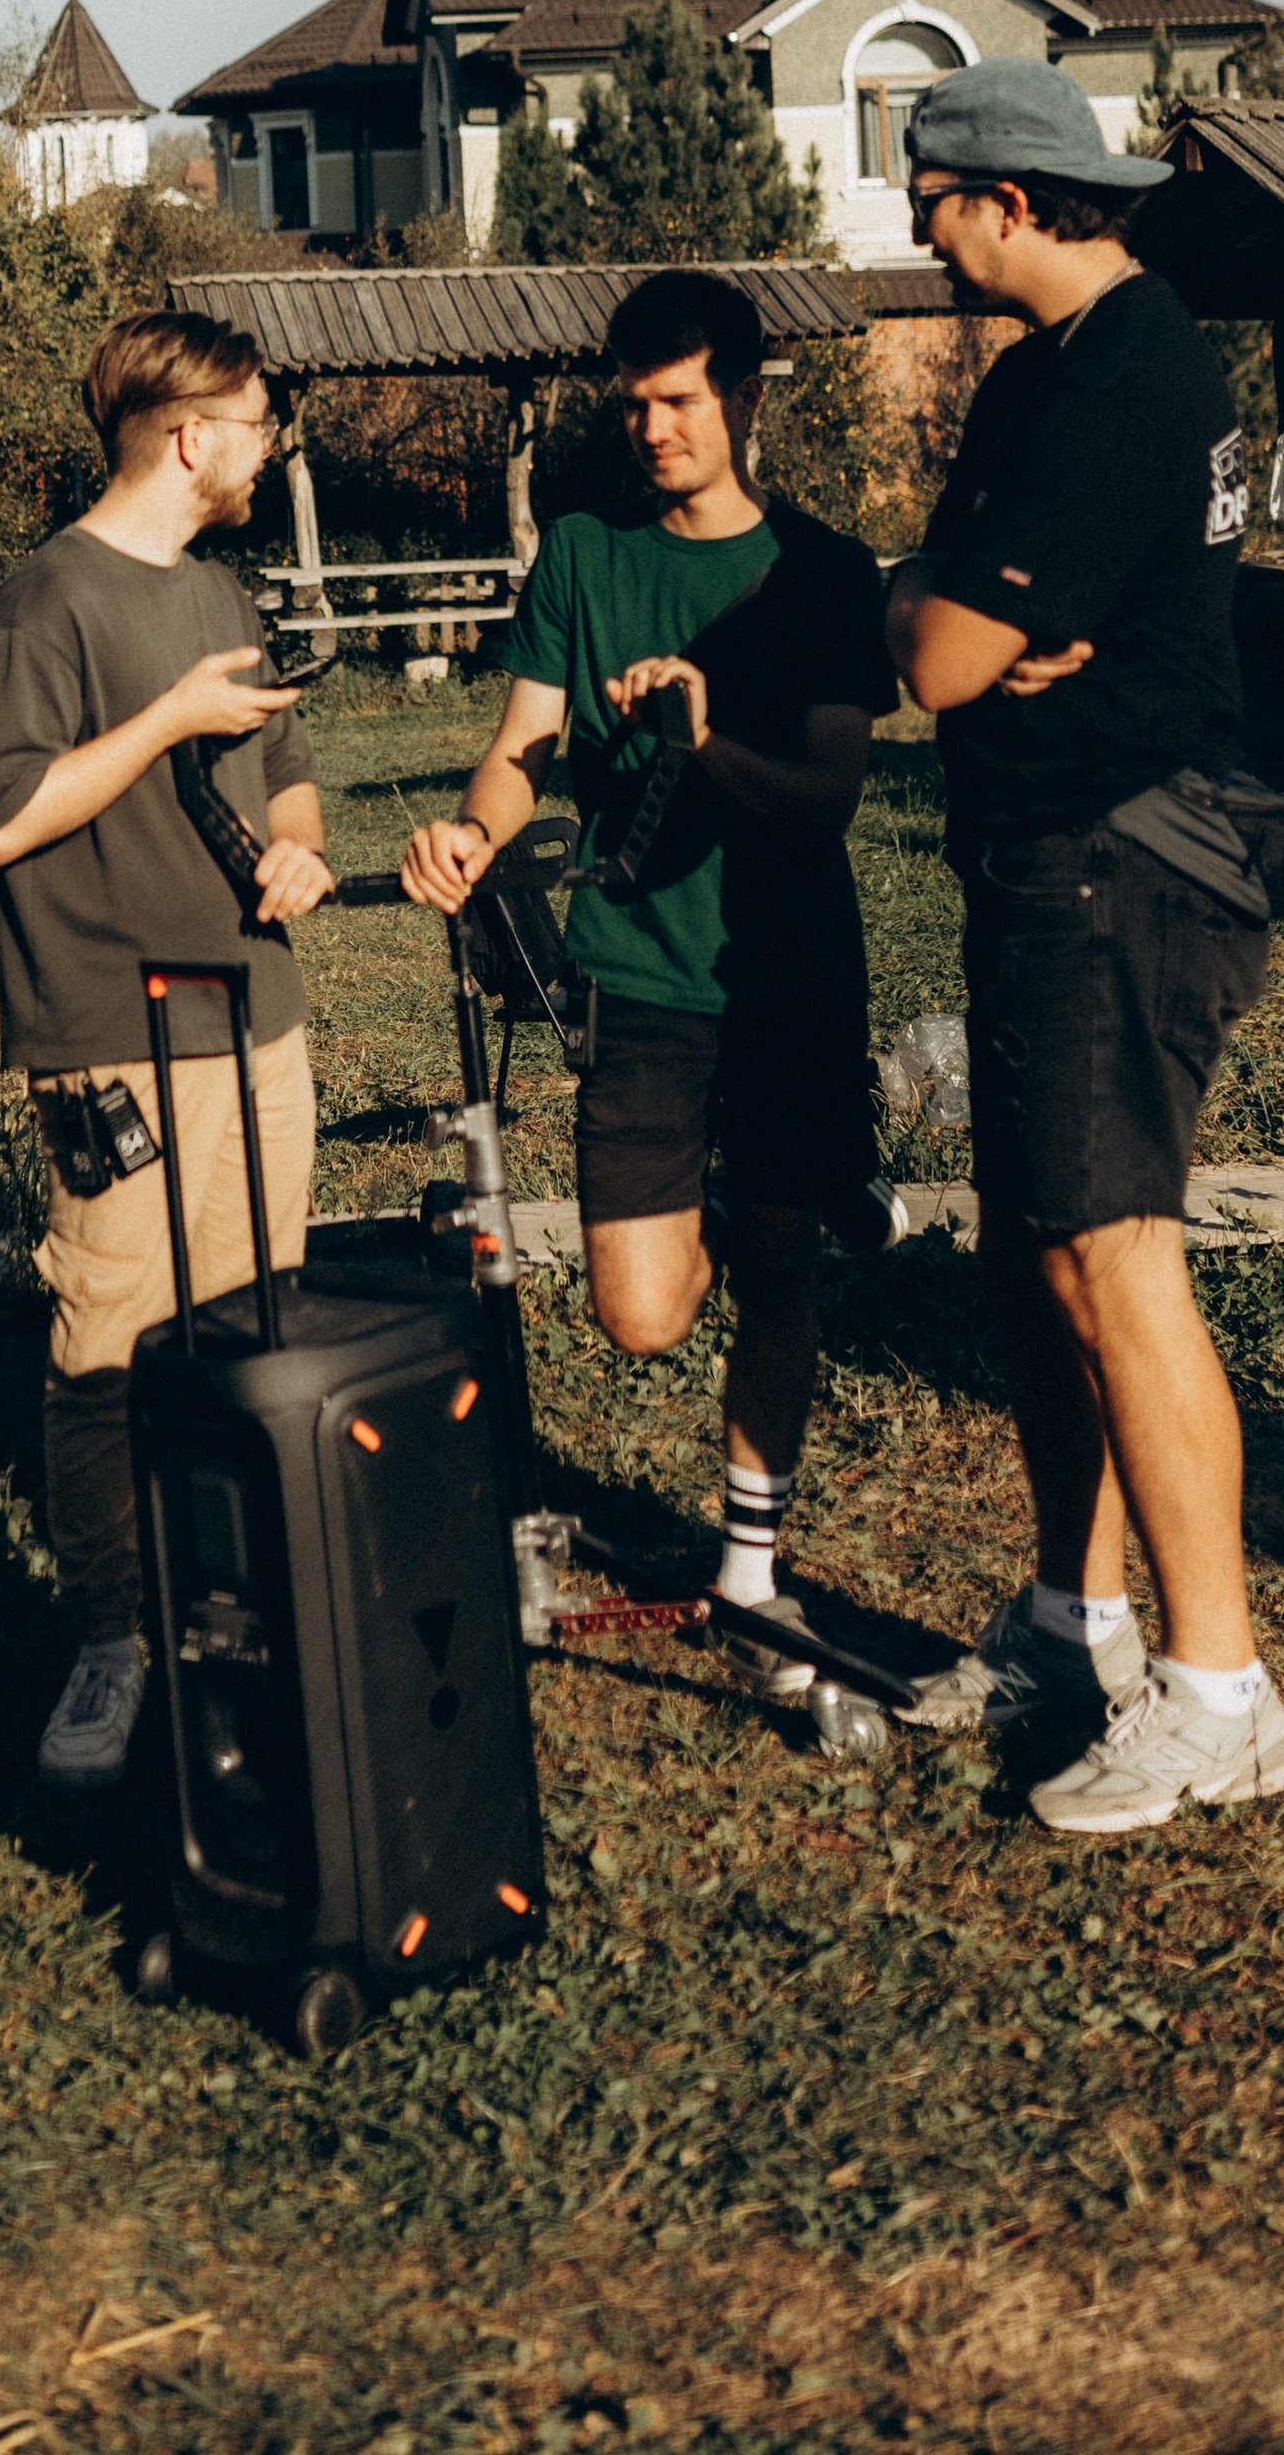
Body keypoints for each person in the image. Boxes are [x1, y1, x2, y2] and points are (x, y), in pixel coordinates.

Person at [883, 58, 1284, 1834]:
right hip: (1044, 853)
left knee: (1122, 1260)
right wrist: (954, 615)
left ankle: (1222, 1696)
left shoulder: (1117, 383)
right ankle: (1080, 1621)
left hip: (1119, 869)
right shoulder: (1052, 372)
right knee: (1036, 1258)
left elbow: (933, 661)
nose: (918, 225)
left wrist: (955, 626)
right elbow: (944, 609)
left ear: (1010, 201)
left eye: (934, 194)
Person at [400, 268, 898, 1702]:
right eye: (632, 404)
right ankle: (745, 1204)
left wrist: (703, 740)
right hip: (638, 975)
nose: (653, 429)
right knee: (641, 1313)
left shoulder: (821, 574)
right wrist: (472, 828)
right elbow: (522, 745)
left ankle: (749, 1565)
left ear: (745, 398)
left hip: (788, 970)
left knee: (789, 1269)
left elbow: (824, 801)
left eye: (679, 401)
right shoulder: (581, 552)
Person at [0, 309, 334, 1794]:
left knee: (258, 1335)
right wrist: (166, 716)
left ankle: (233, 1618)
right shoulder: (49, 600)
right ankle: (112, 1642)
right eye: (253, 425)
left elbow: (286, 787)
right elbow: (3, 818)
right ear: (191, 439)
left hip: (262, 1027)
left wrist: (299, 858)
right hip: (113, 1039)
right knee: (109, 1349)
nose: (267, 447)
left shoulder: (221, 590)